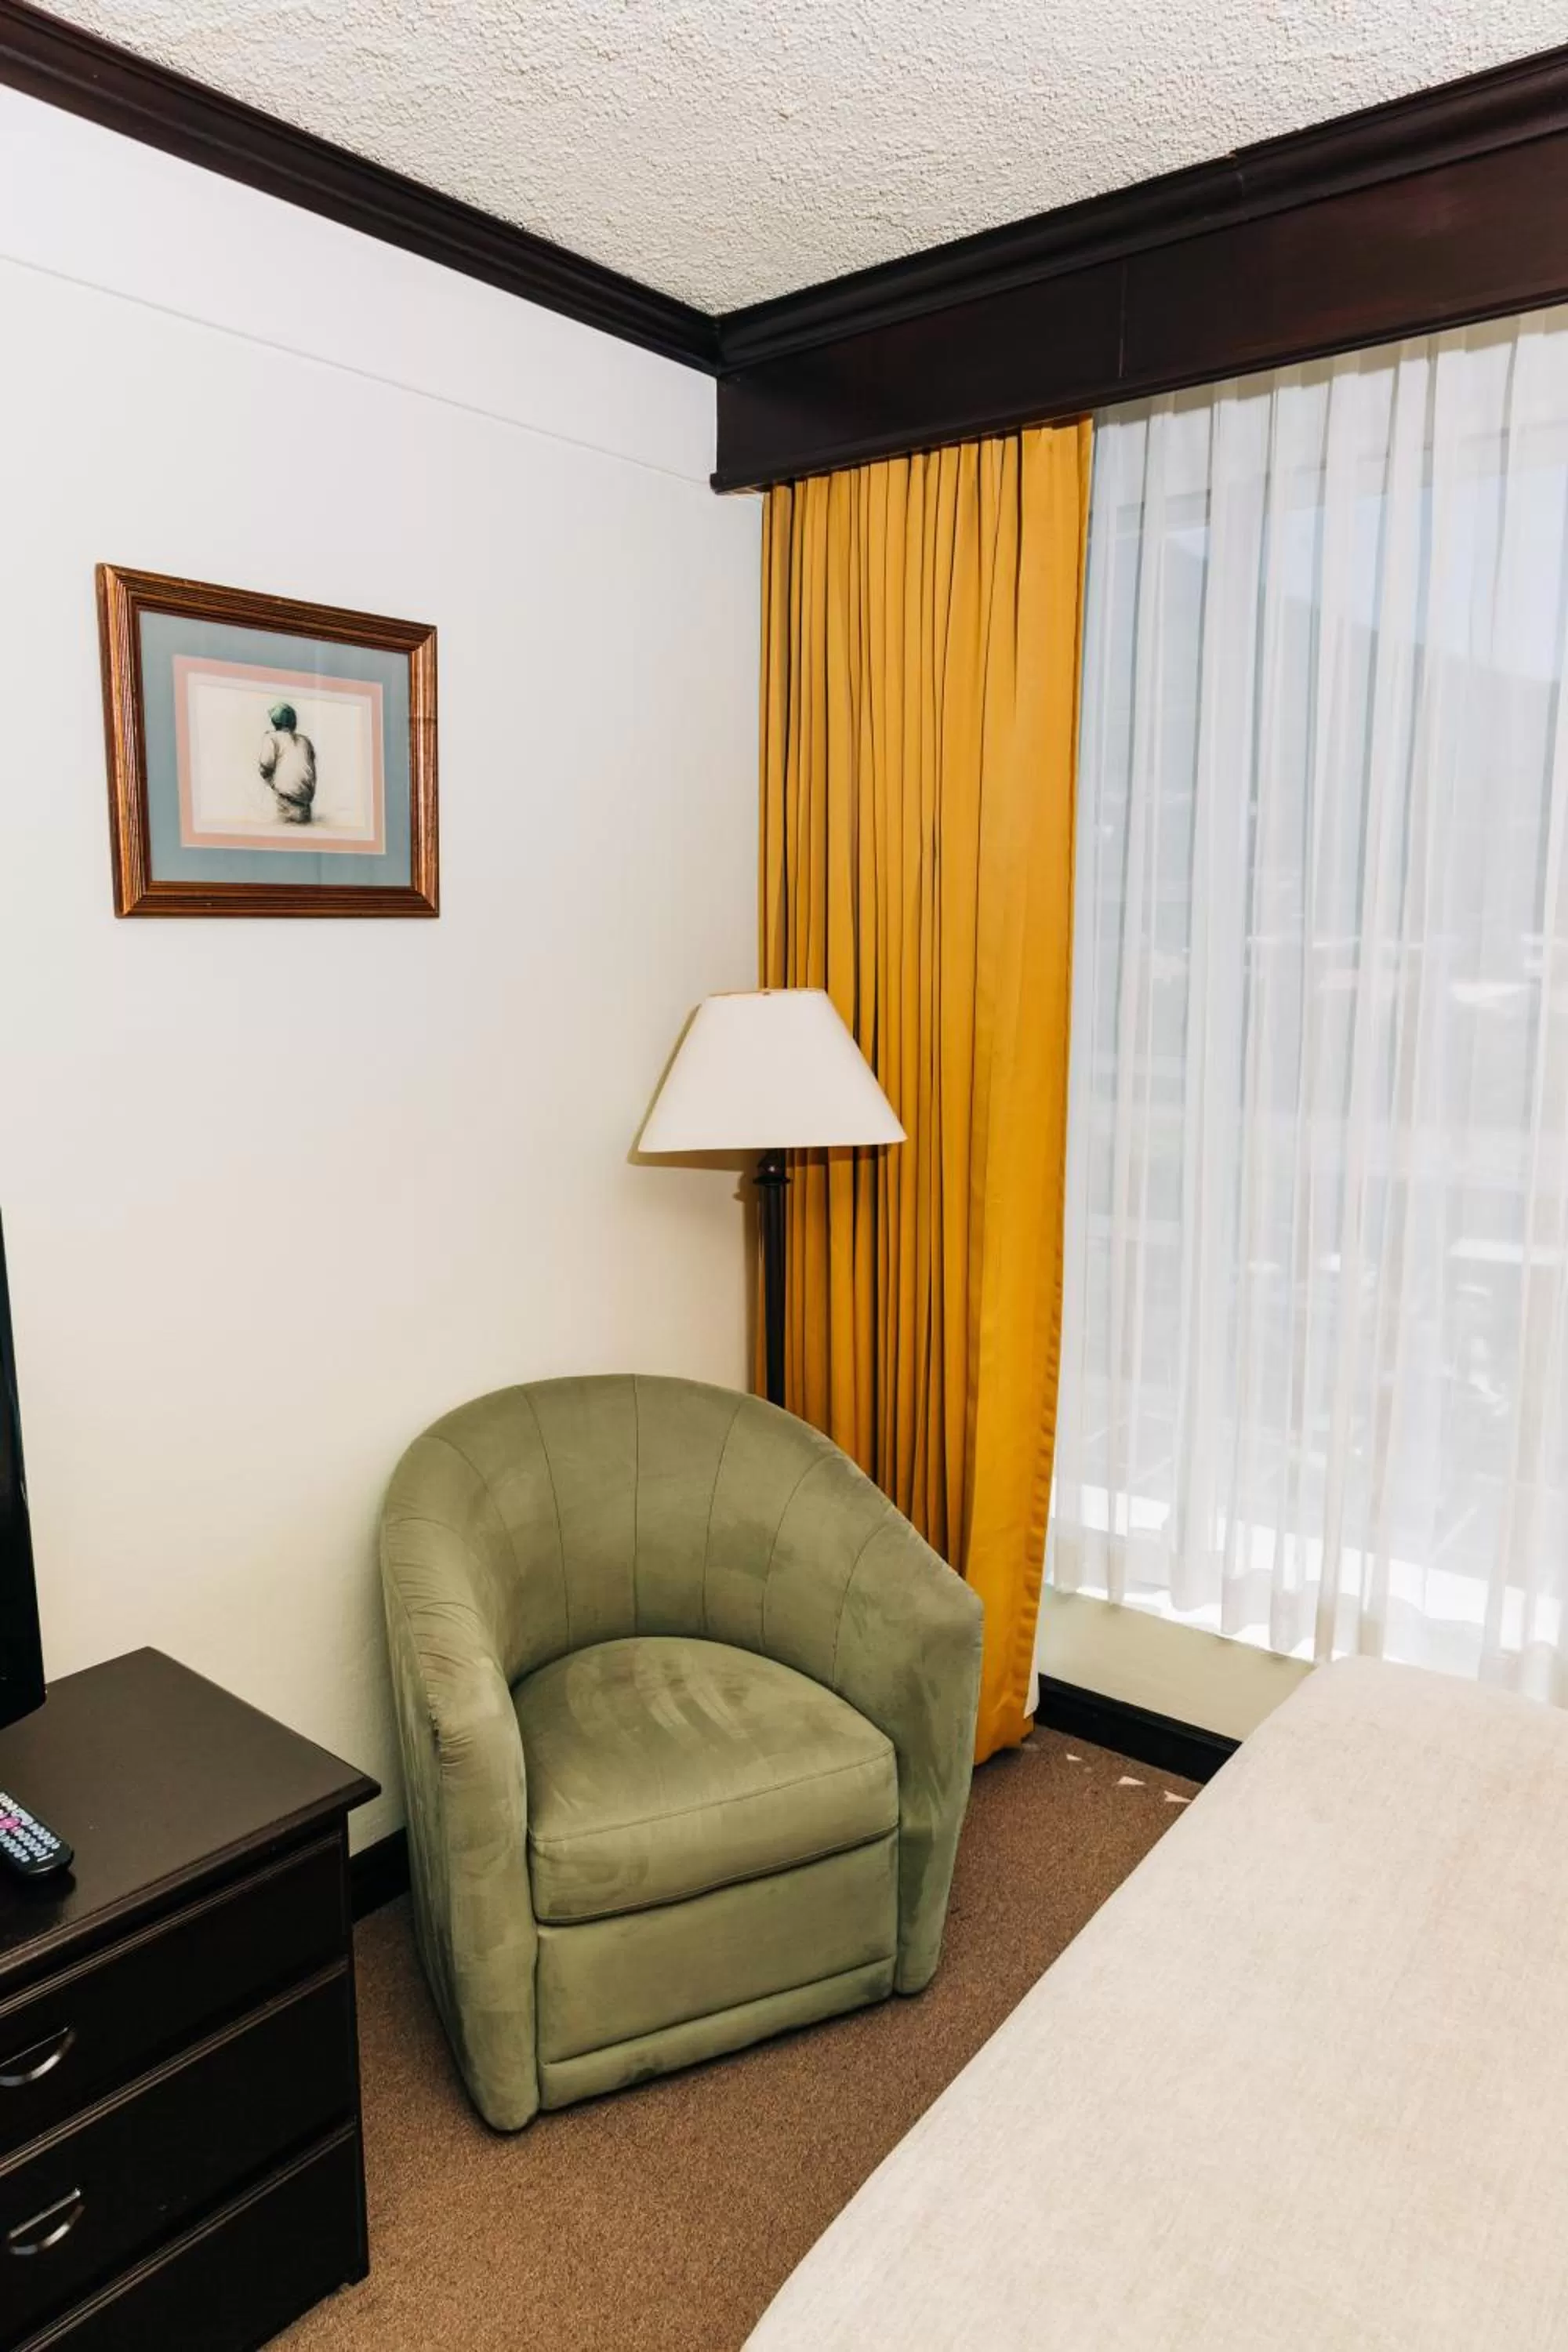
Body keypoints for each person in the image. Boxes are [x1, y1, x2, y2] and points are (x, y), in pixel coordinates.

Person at [258, 700, 318, 825]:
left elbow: (265, 766)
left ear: (275, 722)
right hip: (305, 807)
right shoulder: (306, 741)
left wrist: (271, 782)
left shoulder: (271, 737)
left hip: (283, 804)